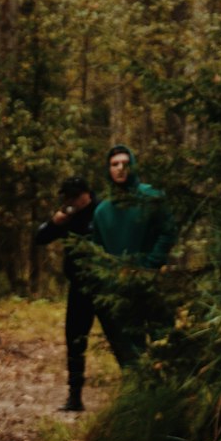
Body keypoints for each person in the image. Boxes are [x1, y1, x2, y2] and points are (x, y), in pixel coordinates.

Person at [88, 143, 177, 366]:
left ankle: (167, 393)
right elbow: (98, 251)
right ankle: (137, 394)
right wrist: (110, 278)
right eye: (114, 164)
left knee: (164, 341)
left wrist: (152, 263)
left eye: (125, 164)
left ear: (134, 167)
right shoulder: (102, 211)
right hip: (121, 288)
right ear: (108, 169)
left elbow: (168, 231)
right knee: (130, 347)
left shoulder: (152, 197)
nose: (120, 168)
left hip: (153, 281)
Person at [35, 174, 97, 413]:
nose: (72, 201)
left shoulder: (101, 212)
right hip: (78, 287)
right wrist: (56, 222)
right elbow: (41, 238)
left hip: (103, 285)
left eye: (75, 196)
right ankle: (75, 396)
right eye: (68, 197)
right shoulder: (69, 217)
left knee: (117, 335)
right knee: (75, 338)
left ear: (86, 194)